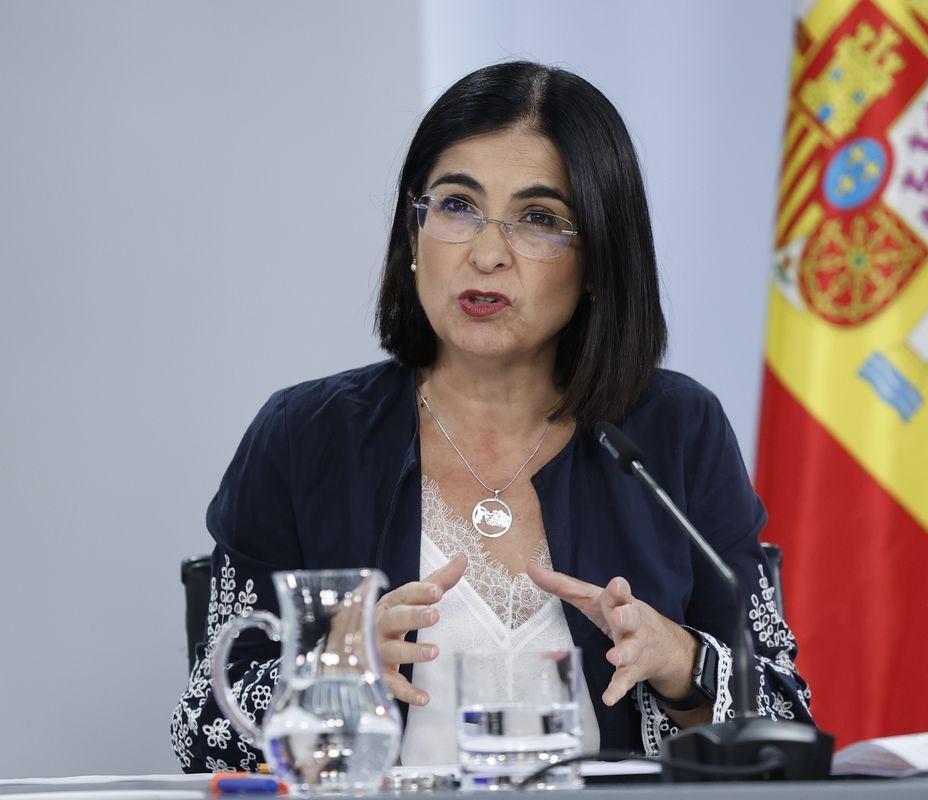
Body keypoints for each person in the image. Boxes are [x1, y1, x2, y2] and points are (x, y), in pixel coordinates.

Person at [171, 61, 813, 773]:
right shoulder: (304, 437)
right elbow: (203, 733)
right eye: (456, 205)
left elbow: (783, 720)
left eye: (539, 219)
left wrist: (680, 662)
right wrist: (331, 680)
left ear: (598, 260)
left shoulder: (674, 433)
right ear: (412, 233)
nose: (485, 254)